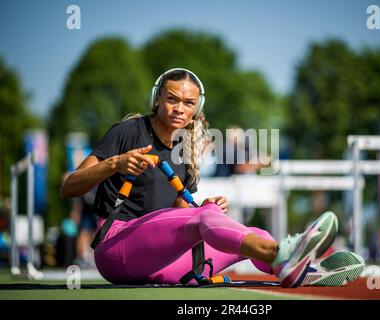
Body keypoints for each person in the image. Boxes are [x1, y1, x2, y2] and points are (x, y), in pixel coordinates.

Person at [60, 68, 337, 287]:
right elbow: (68, 187)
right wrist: (115, 163)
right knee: (205, 217)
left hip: (159, 263)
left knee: (255, 233)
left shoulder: (187, 151)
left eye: (188, 102)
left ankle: (297, 270)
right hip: (115, 249)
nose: (179, 108)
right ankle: (284, 256)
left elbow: (177, 220)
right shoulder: (129, 131)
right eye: (172, 99)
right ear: (157, 100)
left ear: (197, 108)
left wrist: (205, 208)